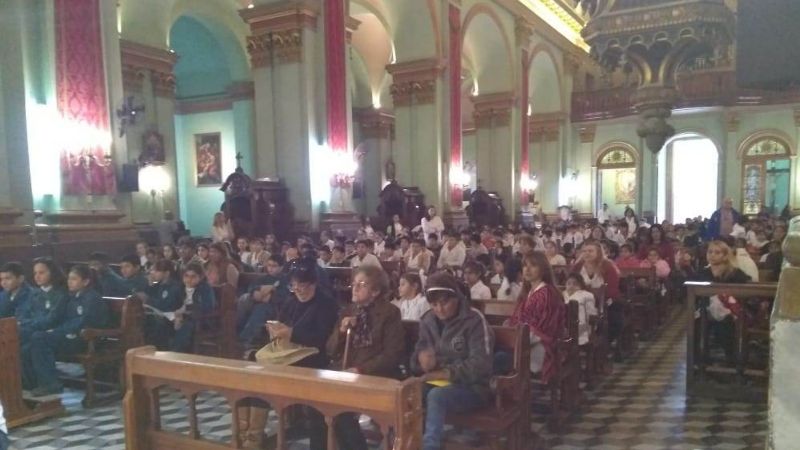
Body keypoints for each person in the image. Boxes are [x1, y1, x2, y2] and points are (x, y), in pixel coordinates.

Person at [240, 257, 338, 449]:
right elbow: (282, 321)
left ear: (314, 283)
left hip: (313, 356)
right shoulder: (291, 300)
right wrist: (274, 329)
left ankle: (253, 438)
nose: (298, 290)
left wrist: (291, 333)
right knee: (250, 374)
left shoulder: (326, 303)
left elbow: (321, 338)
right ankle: (248, 434)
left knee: (263, 376)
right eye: (294, 286)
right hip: (288, 353)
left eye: (302, 285)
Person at [410, 272, 494, 450]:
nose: (439, 309)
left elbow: (482, 364)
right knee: (408, 391)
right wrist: (422, 361)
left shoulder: (473, 319)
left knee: (436, 396)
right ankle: (401, 442)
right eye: (434, 304)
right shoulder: (428, 320)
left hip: (473, 387)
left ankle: (430, 446)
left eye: (444, 302)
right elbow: (417, 357)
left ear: (456, 297)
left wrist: (446, 372)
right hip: (436, 382)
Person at [326, 266, 406, 450]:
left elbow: (392, 354)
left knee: (340, 409)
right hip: (347, 372)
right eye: (353, 284)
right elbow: (330, 350)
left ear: (376, 291)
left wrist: (360, 369)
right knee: (320, 402)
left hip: (376, 373)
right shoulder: (348, 311)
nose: (355, 288)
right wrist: (341, 331)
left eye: (362, 285)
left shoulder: (389, 313)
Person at [27, 264, 110, 396]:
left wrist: (56, 332)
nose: (69, 282)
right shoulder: (71, 297)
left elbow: (82, 322)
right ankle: (39, 381)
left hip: (86, 340)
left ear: (86, 281)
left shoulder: (92, 298)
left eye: (74, 279)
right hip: (70, 336)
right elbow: (61, 318)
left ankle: (50, 383)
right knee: (35, 337)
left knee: (39, 338)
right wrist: (55, 330)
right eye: (69, 279)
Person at [505, 253, 565, 380]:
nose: (527, 269)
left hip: (540, 348)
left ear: (543, 269)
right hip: (523, 343)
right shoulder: (529, 292)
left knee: (499, 358)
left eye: (533, 265)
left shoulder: (546, 294)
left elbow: (542, 331)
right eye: (525, 266)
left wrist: (512, 340)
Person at [572, 241, 622, 348]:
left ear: (598, 252)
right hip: (581, 302)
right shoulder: (578, 266)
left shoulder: (607, 266)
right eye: (584, 251)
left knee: (613, 317)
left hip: (605, 302)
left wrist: (592, 294)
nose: (587, 253)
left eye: (590, 251)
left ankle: (606, 343)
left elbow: (612, 289)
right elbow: (570, 283)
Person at [237, 254, 289, 346]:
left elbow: (283, 296)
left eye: (274, 266)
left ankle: (245, 339)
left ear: (281, 267)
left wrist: (267, 295)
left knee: (261, 308)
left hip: (275, 306)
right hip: (255, 302)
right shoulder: (263, 278)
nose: (271, 268)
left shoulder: (285, 279)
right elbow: (252, 289)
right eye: (269, 265)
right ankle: (236, 332)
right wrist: (266, 289)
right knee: (244, 300)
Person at [171, 263, 216, 352]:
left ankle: (177, 352)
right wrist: (177, 314)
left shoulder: (205, 288)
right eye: (186, 276)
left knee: (187, 325)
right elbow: (175, 304)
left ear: (200, 277)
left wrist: (187, 309)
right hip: (181, 317)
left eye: (193, 277)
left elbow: (208, 306)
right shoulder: (180, 288)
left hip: (202, 319)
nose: (189, 279)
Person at [141, 259, 182, 349]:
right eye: (152, 270)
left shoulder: (175, 286)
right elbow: (147, 296)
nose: (152, 273)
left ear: (166, 273)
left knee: (156, 324)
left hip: (171, 318)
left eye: (156, 271)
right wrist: (150, 285)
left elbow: (167, 305)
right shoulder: (158, 284)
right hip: (159, 315)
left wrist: (149, 301)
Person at [563, 273, 598, 346]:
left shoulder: (586, 295)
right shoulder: (562, 295)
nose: (571, 286)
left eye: (575, 284)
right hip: (563, 326)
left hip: (581, 327)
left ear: (581, 285)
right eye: (568, 283)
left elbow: (591, 314)